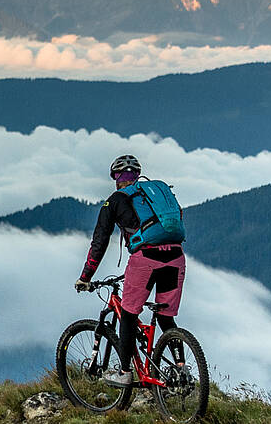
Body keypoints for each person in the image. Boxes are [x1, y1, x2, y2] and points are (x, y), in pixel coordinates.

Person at [76, 154, 186, 387]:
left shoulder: (115, 200)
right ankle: (181, 369)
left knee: (128, 314)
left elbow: (99, 242)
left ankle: (125, 372)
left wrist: (85, 277)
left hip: (145, 259)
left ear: (116, 177)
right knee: (166, 317)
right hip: (176, 257)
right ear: (137, 174)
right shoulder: (157, 195)